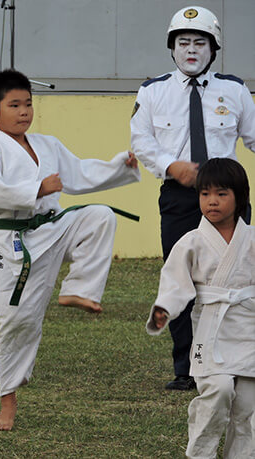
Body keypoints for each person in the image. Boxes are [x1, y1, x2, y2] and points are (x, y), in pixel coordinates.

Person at [0, 69, 141, 431]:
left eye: (28, 104)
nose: (24, 112)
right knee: (16, 323)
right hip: (16, 242)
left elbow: (78, 173)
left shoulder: (46, 144)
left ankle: (79, 289)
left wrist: (118, 166)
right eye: (14, 105)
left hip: (53, 226)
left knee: (99, 216)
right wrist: (36, 189)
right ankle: (8, 401)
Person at [131, 5, 255, 391]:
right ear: (172, 48)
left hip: (229, 196)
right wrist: (172, 167)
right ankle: (187, 366)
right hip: (180, 196)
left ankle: (239, 358)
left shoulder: (234, 90)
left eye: (199, 42)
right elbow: (141, 142)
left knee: (237, 277)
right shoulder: (152, 91)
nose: (190, 50)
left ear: (213, 49)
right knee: (181, 273)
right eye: (182, 42)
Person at [147, 158, 254, 458]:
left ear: (240, 196)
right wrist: (164, 309)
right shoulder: (191, 241)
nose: (212, 202)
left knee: (247, 405)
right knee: (218, 390)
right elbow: (176, 283)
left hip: (248, 329)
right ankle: (200, 453)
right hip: (211, 328)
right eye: (205, 194)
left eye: (221, 194)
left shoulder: (252, 239)